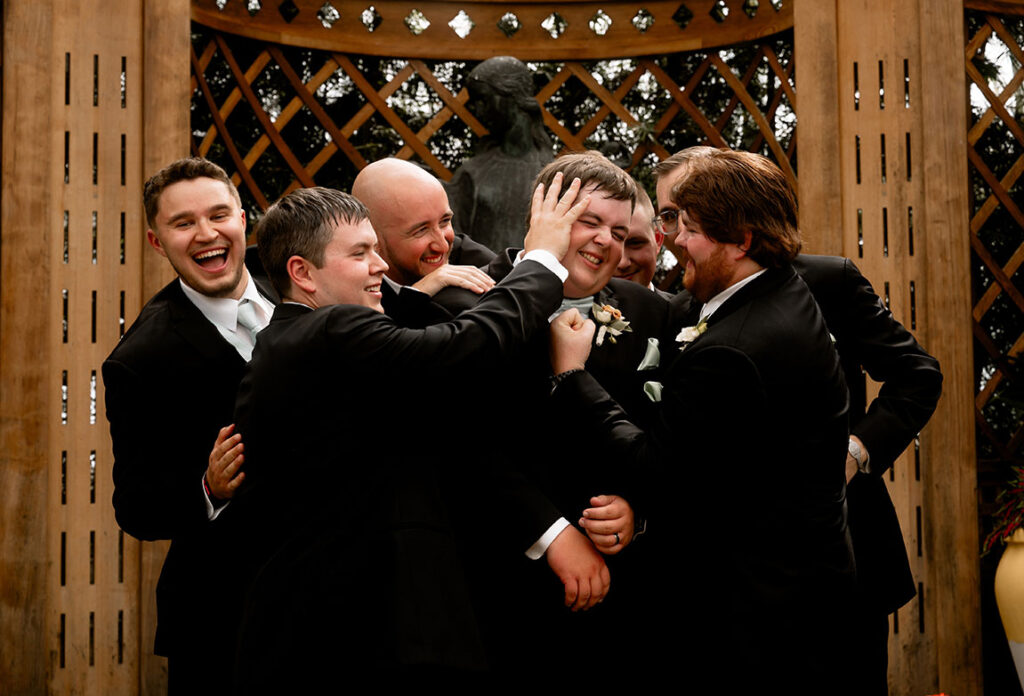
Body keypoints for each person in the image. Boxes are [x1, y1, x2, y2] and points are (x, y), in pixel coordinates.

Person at [225, 181, 609, 691]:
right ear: (302, 273)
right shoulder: (332, 331)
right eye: (361, 254)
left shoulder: (292, 343)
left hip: (314, 630)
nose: (380, 265)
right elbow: (462, 348)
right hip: (349, 637)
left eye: (376, 250)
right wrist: (540, 259)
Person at [549, 149, 856, 692]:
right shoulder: (775, 292)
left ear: (740, 240)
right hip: (804, 591)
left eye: (688, 228)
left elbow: (654, 467)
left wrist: (573, 374)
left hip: (760, 619)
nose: (674, 242)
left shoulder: (736, 348)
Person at [654, 146, 943, 694]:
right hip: (743, 575)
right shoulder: (688, 300)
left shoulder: (827, 280)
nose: (671, 232)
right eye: (667, 215)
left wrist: (854, 454)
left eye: (680, 215)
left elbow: (917, 375)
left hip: (846, 543)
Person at [435, 151, 671, 681]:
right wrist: (552, 534)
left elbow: (671, 436)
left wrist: (636, 511)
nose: (606, 241)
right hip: (501, 587)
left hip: (627, 602)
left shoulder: (651, 311)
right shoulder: (466, 305)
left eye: (618, 229)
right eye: (588, 222)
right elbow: (459, 442)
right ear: (541, 217)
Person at [102, 158, 276, 694]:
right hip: (223, 618)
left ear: (243, 219)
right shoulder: (140, 360)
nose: (206, 234)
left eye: (218, 214)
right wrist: (208, 488)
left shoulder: (298, 277)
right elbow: (135, 506)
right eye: (183, 224)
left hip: (334, 601)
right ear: (158, 243)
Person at [352, 158, 496, 326]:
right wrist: (416, 294)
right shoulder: (351, 286)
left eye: (445, 221)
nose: (442, 245)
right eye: (421, 230)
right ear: (372, 237)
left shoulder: (461, 249)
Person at [445, 56, 554, 252]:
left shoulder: (554, 174)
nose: (478, 111)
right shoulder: (472, 173)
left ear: (512, 95)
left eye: (483, 99)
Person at [614, 186, 664, 291]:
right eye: (612, 244)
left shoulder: (681, 307)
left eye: (635, 243)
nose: (622, 263)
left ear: (657, 239)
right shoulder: (573, 304)